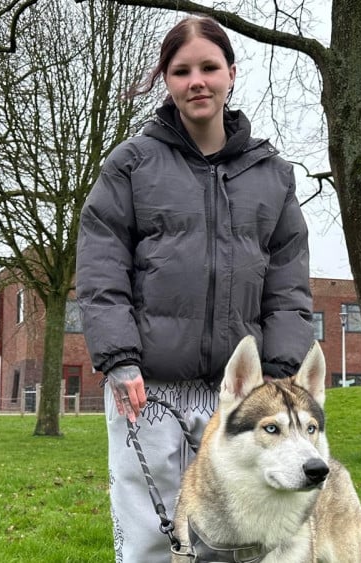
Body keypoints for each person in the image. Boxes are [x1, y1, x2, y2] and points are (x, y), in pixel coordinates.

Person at [76, 15, 313, 562]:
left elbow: (288, 279)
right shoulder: (131, 165)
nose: (197, 81)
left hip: (239, 394)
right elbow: (101, 266)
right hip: (147, 389)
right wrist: (118, 358)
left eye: (209, 67)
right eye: (182, 71)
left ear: (231, 73)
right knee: (151, 535)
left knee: (235, 537)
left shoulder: (271, 174)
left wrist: (279, 367)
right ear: (168, 80)